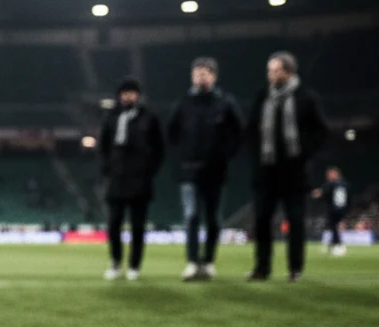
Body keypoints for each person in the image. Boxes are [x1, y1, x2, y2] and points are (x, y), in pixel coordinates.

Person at [246, 52, 328, 282]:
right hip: (266, 172)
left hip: (295, 173)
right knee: (261, 220)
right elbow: (251, 130)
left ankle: (295, 268)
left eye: (275, 70)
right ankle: (262, 268)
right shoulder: (262, 97)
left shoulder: (306, 98)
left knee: (296, 221)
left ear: (289, 72)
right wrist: (256, 158)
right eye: (269, 70)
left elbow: (321, 131)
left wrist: (303, 153)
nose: (270, 75)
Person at [167, 57, 244, 281]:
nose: (201, 76)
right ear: (192, 76)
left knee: (212, 218)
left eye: (206, 72)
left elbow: (239, 133)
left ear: (214, 76)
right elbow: (171, 133)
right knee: (191, 216)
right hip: (189, 171)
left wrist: (226, 156)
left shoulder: (226, 102)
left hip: (216, 171)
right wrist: (183, 157)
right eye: (197, 72)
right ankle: (192, 262)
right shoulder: (183, 102)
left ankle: (208, 262)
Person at [100, 77, 164, 281]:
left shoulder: (149, 117)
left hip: (140, 180)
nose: (128, 96)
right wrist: (107, 168)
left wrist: (149, 171)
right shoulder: (111, 117)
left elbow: (159, 148)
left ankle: (135, 266)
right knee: (114, 224)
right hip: (117, 179)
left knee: (138, 226)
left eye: (132, 92)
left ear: (138, 95)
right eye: (125, 92)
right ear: (120, 95)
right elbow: (103, 145)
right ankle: (116, 263)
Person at [312, 166, 348, 256]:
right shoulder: (344, 184)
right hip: (342, 209)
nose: (328, 176)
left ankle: (338, 246)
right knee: (333, 228)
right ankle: (334, 245)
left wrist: (317, 193)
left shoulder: (331, 184)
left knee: (333, 227)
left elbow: (321, 194)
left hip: (334, 209)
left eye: (330, 174)